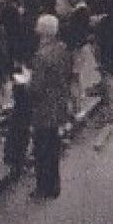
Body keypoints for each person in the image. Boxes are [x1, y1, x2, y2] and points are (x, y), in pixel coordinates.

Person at [28, 14, 73, 199]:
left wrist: (26, 85)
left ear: (42, 31)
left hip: (44, 107)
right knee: (53, 146)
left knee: (41, 148)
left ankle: (42, 187)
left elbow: (36, 88)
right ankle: (54, 186)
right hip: (59, 103)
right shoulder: (63, 50)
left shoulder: (40, 56)